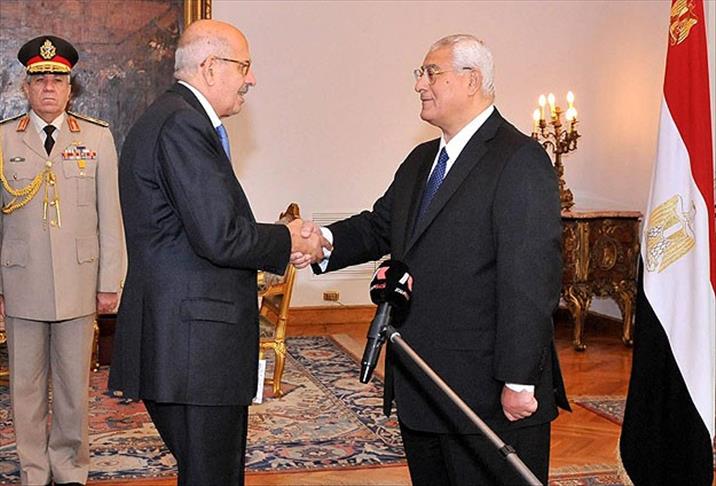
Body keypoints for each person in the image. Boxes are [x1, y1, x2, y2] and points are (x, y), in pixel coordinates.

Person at [301, 34, 570, 485]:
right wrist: (322, 241)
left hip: (487, 395)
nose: (419, 84)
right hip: (422, 387)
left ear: (472, 80)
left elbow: (530, 278)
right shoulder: (422, 159)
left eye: (431, 73)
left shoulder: (519, 158)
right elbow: (379, 226)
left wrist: (519, 379)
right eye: (420, 73)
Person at [107, 19, 327, 486]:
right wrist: (289, 238)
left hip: (183, 339)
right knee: (213, 475)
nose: (252, 79)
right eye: (244, 66)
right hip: (195, 345)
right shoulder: (183, 124)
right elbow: (220, 236)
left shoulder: (171, 116)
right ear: (210, 67)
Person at [0, 35, 124, 486]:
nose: (48, 87)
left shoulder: (96, 138)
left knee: (74, 385)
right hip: (21, 281)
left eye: (57, 79)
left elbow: (111, 216)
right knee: (26, 387)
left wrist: (110, 281)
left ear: (71, 88)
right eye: (39, 79)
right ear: (25, 87)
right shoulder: (2, 139)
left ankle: (70, 469)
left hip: (78, 280)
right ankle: (34, 470)